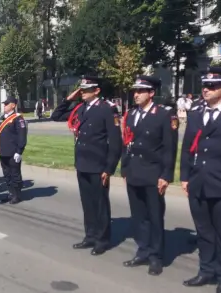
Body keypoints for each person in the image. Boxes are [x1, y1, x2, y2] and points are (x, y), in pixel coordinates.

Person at [180, 67, 221, 293]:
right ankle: (206, 271)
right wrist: (185, 177)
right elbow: (188, 147)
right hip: (198, 182)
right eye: (204, 85)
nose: (206, 89)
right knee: (204, 232)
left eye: (212, 86)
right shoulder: (196, 112)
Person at [50, 75, 122, 256]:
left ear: (97, 90)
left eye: (87, 89)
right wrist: (69, 98)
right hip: (82, 163)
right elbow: (56, 115)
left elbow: (115, 142)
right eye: (81, 89)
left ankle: (102, 240)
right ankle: (90, 235)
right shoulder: (80, 108)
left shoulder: (108, 110)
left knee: (100, 204)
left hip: (98, 165)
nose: (83, 92)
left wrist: (109, 168)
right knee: (87, 203)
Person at [120, 76, 177, 276]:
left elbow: (169, 149)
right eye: (135, 91)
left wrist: (166, 175)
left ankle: (156, 257)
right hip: (134, 172)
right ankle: (142, 250)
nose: (136, 95)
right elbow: (126, 143)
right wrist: (124, 168)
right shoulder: (131, 114)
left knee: (154, 216)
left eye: (141, 91)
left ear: (151, 93)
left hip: (153, 173)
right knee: (138, 217)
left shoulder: (163, 115)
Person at [0, 96, 28, 204]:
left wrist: (19, 151)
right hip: (3, 151)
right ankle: (10, 193)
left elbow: (22, 136)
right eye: (4, 104)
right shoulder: (3, 118)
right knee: (7, 174)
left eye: (6, 104)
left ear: (13, 105)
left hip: (13, 152)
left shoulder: (18, 119)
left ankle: (17, 195)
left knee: (15, 174)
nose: (4, 106)